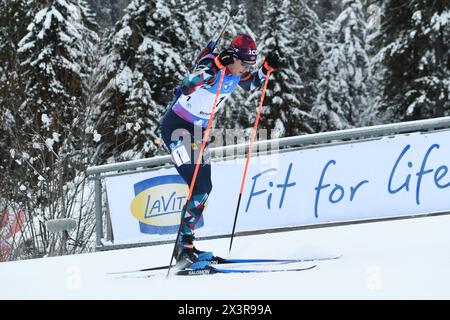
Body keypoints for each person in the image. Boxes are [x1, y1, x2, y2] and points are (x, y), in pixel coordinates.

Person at [160, 34, 280, 267]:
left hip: (196, 133)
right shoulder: (212, 64)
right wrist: (215, 65)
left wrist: (265, 70)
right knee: (200, 185)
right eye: (243, 64)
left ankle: (186, 245)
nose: (245, 69)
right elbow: (187, 84)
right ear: (233, 57)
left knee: (204, 187)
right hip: (176, 129)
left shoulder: (236, 72)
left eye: (249, 65)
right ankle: (183, 249)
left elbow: (250, 83)